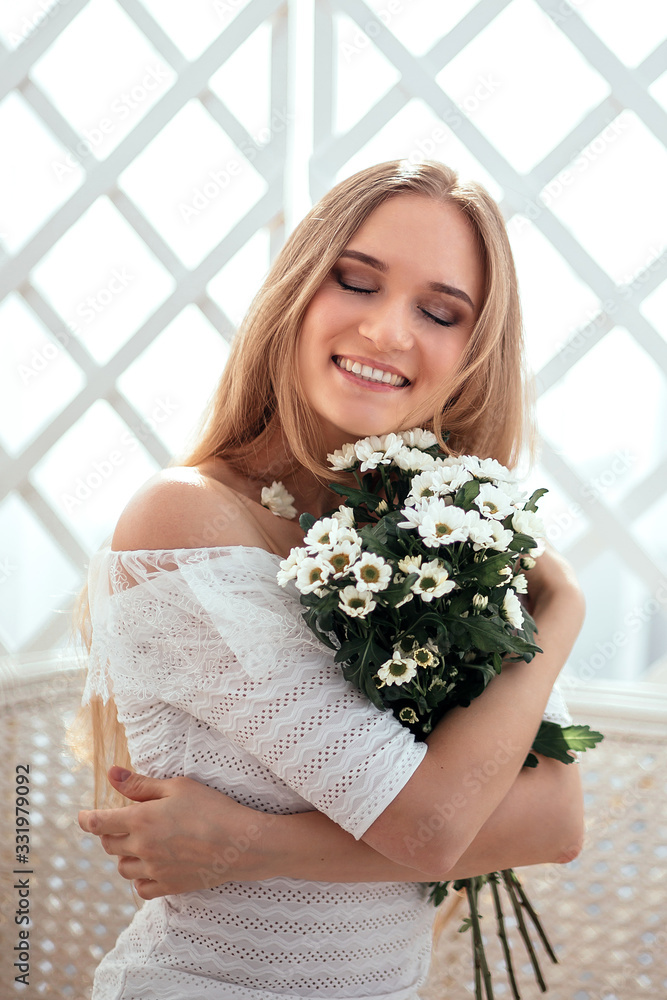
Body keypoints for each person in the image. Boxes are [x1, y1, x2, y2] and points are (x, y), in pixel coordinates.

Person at [74, 159, 585, 999]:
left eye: (438, 311)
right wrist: (559, 612)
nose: (386, 331)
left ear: (472, 354)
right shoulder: (185, 519)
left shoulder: (451, 526)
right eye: (356, 281)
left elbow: (552, 822)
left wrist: (252, 845)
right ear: (297, 294)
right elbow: (430, 829)